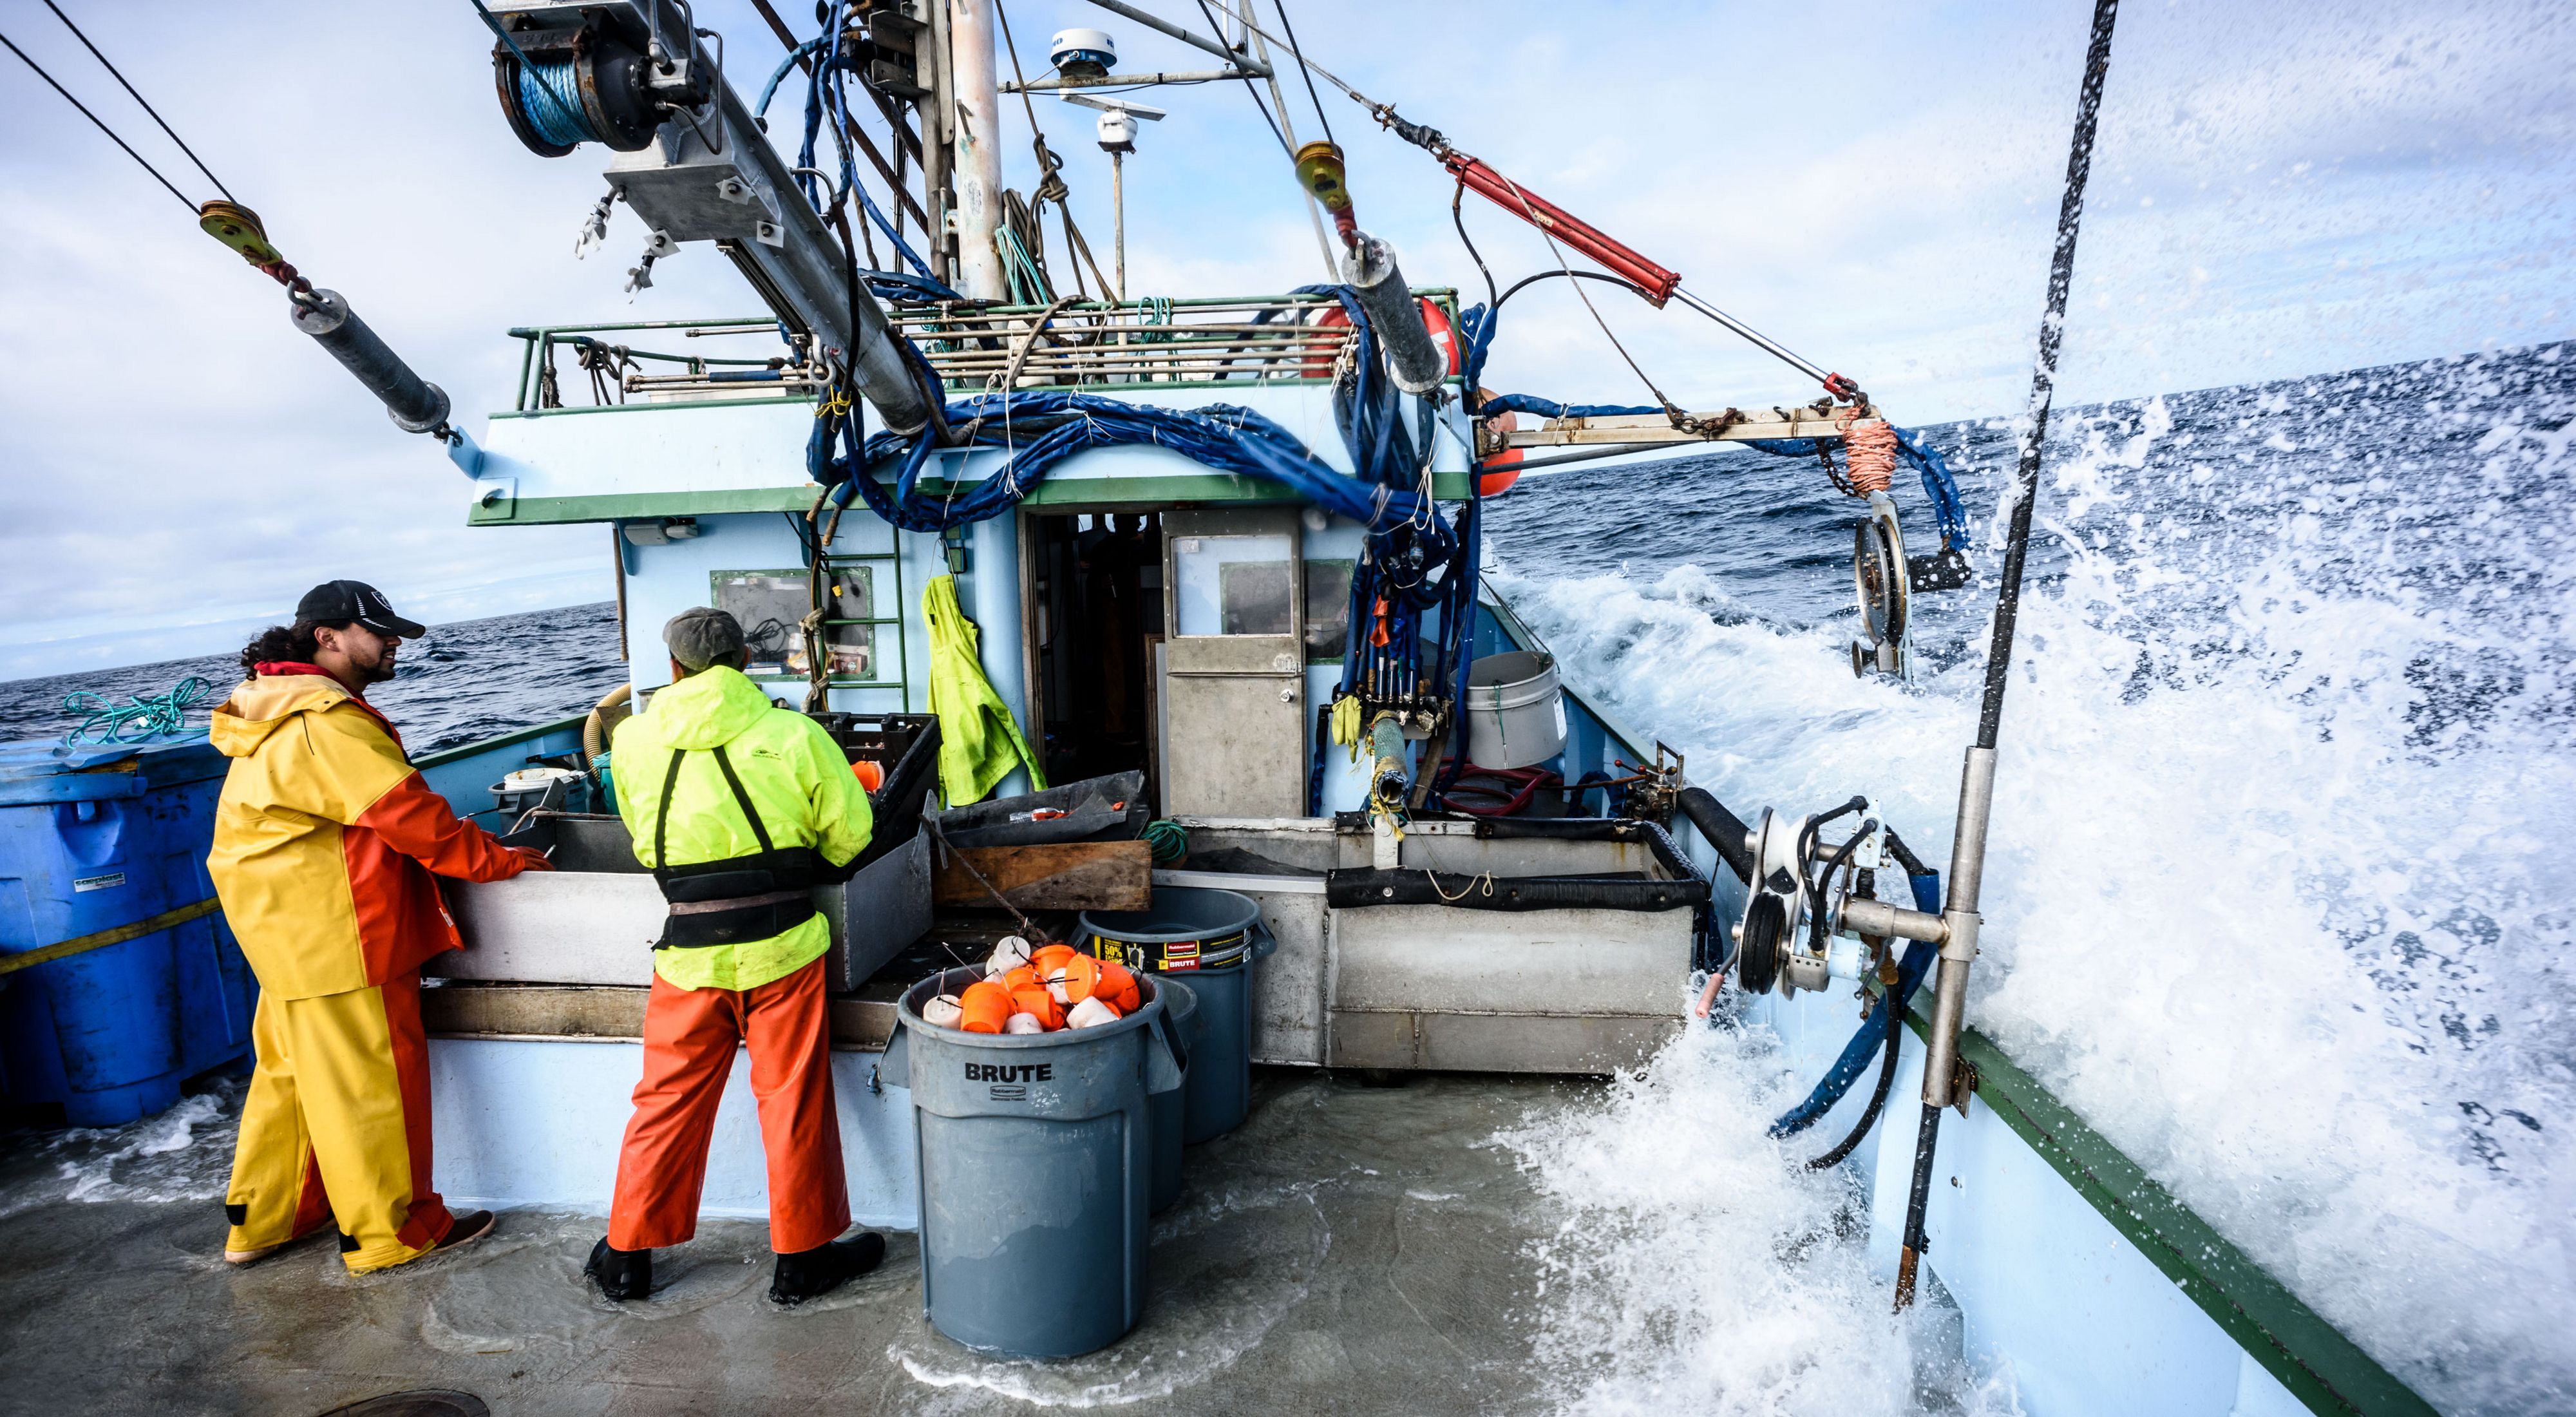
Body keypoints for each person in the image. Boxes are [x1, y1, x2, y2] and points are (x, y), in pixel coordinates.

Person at [209, 580, 551, 1274]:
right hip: (342, 934)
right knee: (372, 1087)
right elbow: (411, 817)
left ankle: (264, 1221)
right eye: (378, 631)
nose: (393, 642)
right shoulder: (324, 720)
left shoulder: (266, 707)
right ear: (325, 637)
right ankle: (391, 1232)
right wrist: (503, 861)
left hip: (282, 933)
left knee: (293, 1082)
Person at [583, 607, 886, 1306]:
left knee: (663, 1101)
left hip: (687, 954)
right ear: (747, 659)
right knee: (791, 1101)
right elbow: (851, 835)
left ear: (673, 669)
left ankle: (627, 1253)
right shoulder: (794, 733)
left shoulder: (631, 741)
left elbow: (639, 836)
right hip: (783, 948)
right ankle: (801, 1260)